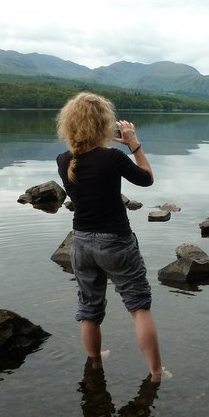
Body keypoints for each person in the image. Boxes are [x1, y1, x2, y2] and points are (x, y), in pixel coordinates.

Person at [56, 92, 162, 381]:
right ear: (104, 124)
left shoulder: (63, 159)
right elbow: (147, 178)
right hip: (115, 241)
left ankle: (94, 365)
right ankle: (155, 373)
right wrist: (134, 144)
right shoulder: (112, 157)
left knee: (89, 309)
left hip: (81, 242)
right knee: (139, 307)